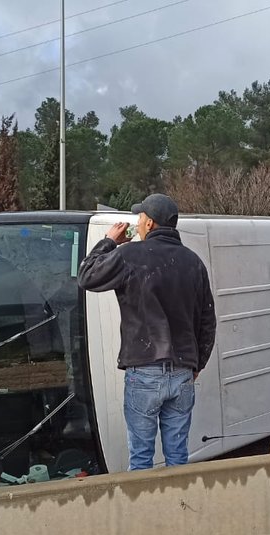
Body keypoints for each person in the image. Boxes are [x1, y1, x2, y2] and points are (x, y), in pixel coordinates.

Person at [78, 194, 216, 470]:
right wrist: (197, 363)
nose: (138, 222)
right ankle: (179, 508)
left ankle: (144, 512)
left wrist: (109, 242)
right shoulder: (193, 262)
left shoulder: (129, 255)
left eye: (140, 217)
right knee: (177, 456)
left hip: (144, 371)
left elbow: (87, 277)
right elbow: (207, 320)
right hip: (182, 372)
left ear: (150, 223)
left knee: (141, 459)